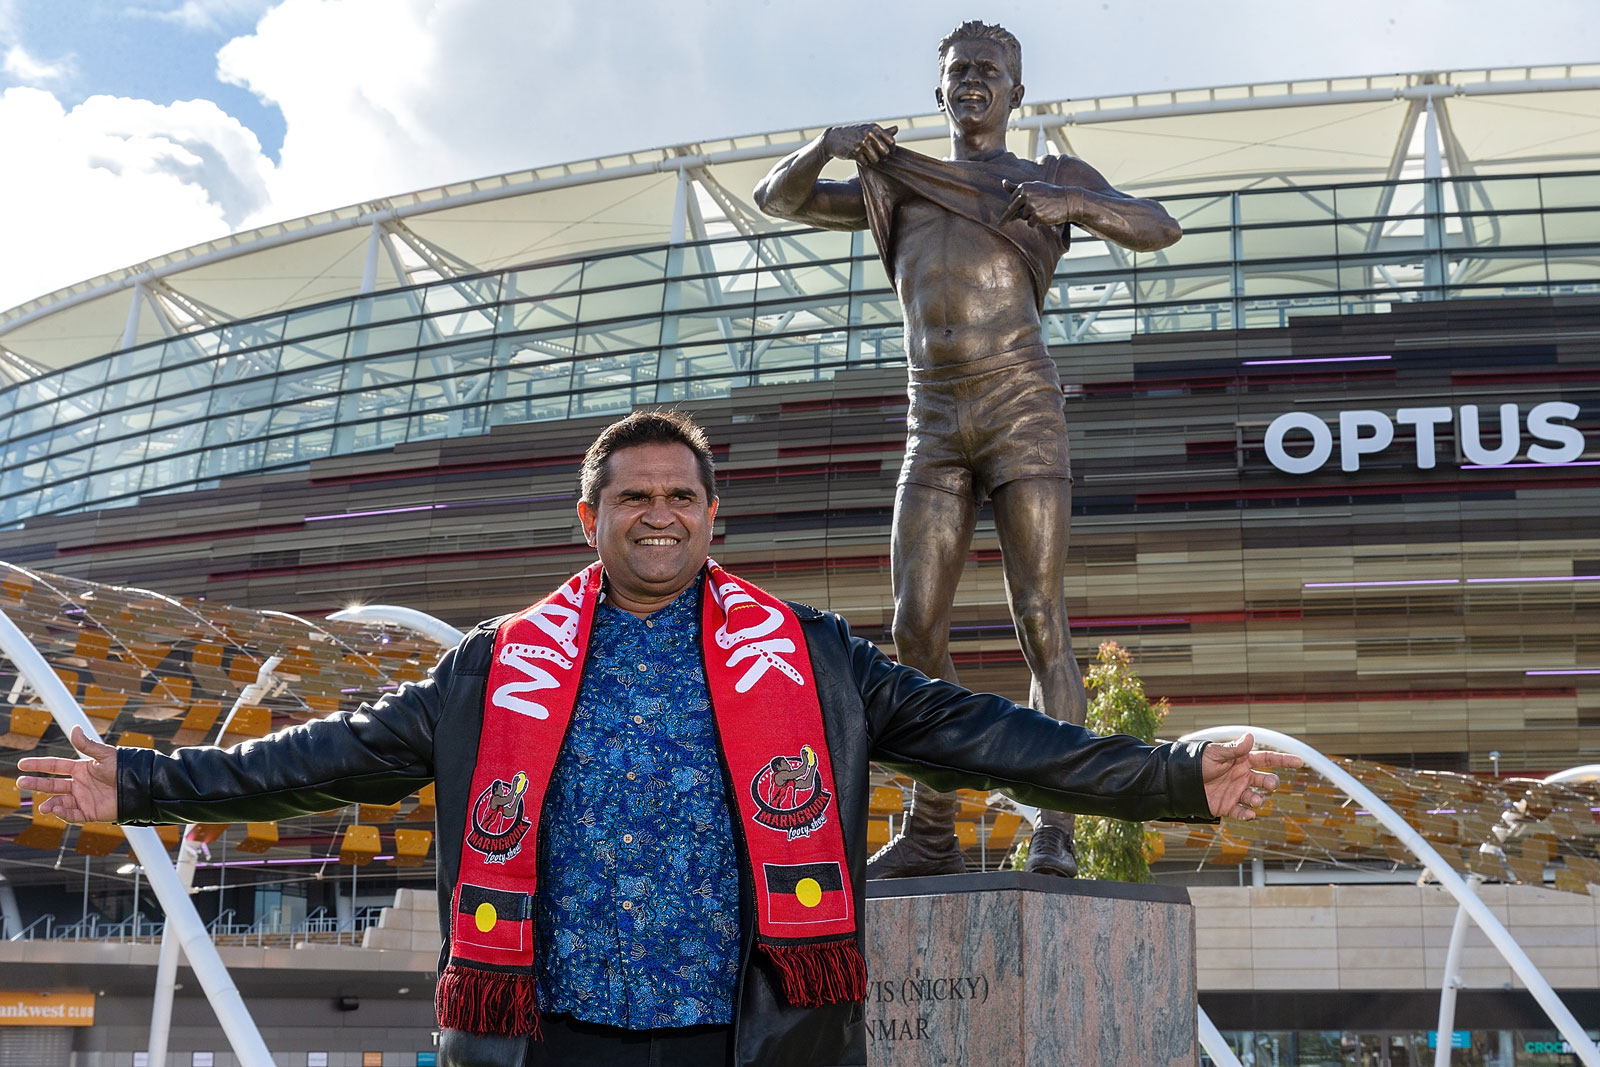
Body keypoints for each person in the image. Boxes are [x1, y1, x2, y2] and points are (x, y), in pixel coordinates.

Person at [20, 410, 1296, 1067]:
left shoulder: (810, 656)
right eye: (633, 495)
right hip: (550, 1030)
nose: (659, 513)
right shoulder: (495, 665)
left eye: (681, 495)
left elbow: (985, 735)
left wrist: (1168, 776)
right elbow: (322, 752)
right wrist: (136, 777)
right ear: (590, 515)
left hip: (747, 1032)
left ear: (712, 515)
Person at [753, 21, 1183, 879]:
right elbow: (778, 199)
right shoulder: (898, 181)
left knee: (1039, 620)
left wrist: (1080, 207)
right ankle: (933, 826)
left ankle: (1056, 823)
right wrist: (825, 145)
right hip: (934, 415)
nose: (974, 81)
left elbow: (1159, 225)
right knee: (914, 625)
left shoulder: (1048, 176)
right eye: (959, 71)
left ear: (1017, 93)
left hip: (1021, 404)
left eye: (991, 70)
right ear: (940, 90)